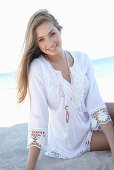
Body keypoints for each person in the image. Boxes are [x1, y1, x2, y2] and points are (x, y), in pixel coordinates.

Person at [17, 9, 114, 170]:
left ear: (59, 30)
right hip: (71, 137)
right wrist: (29, 167)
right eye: (41, 40)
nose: (49, 43)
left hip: (88, 115)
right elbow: (38, 117)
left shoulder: (82, 58)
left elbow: (95, 102)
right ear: (36, 44)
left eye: (52, 34)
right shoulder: (38, 68)